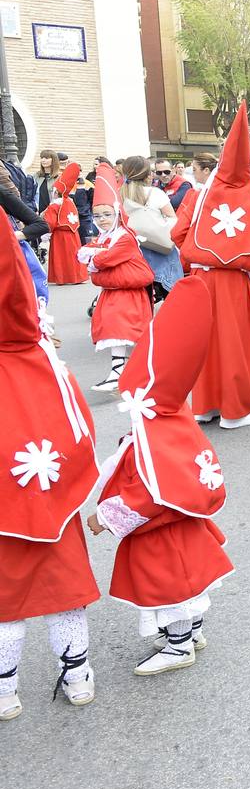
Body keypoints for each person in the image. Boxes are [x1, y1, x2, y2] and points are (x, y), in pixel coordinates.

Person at [86, 276, 232, 676]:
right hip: (181, 531)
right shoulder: (169, 420)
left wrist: (107, 516)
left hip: (162, 534)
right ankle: (192, 632)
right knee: (185, 587)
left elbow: (151, 492)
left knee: (172, 590)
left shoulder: (156, 432)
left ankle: (179, 645)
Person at [0, 226, 102, 720]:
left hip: (4, 509)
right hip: (54, 501)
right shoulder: (46, 360)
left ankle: (4, 692)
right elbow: (81, 432)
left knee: (6, 602)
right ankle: (78, 678)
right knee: (65, 595)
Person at [170, 105, 250, 430]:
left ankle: (205, 406)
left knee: (206, 342)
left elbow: (178, 235)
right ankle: (238, 409)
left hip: (202, 279)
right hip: (236, 284)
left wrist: (201, 260)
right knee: (237, 343)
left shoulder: (198, 198)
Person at [78, 165, 154, 393]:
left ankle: (130, 373)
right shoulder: (106, 236)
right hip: (115, 293)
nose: (101, 220)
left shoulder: (123, 237)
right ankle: (124, 372)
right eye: (97, 215)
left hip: (128, 294)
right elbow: (86, 253)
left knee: (123, 331)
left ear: (117, 213)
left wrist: (95, 260)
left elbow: (102, 260)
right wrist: (95, 257)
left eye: (107, 215)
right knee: (120, 332)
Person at [121, 156, 184, 301]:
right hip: (159, 245)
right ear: (148, 174)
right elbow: (172, 218)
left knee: (142, 290)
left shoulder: (121, 194)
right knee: (171, 289)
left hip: (133, 247)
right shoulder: (155, 193)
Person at [42, 163, 88, 285]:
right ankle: (77, 277)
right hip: (73, 235)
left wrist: (45, 234)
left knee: (61, 257)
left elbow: (50, 222)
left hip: (59, 235)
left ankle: (62, 278)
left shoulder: (54, 204)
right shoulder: (70, 202)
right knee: (73, 256)